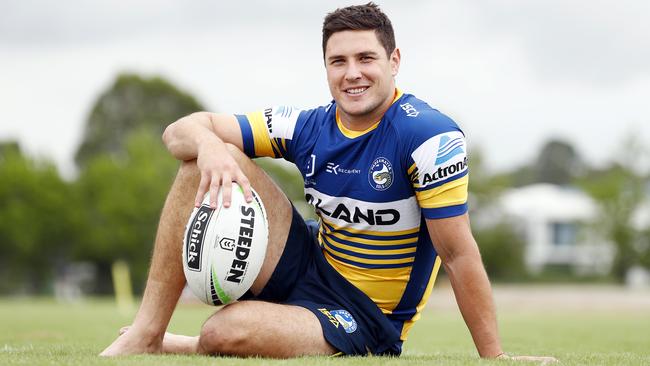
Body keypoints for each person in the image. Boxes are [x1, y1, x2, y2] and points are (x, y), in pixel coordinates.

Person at [101, 3, 555, 361]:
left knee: (222, 332)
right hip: (310, 264)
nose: (352, 72)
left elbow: (458, 254)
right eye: (338, 61)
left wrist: (495, 357)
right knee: (197, 160)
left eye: (366, 58)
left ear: (394, 61)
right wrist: (211, 145)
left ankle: (184, 344)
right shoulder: (306, 125)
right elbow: (177, 131)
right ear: (325, 67)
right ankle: (147, 332)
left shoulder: (428, 137)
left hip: (367, 315)